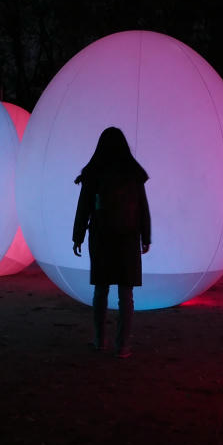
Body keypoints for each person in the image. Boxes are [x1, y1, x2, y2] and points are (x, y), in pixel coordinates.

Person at [71, 127, 150, 358]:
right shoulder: (133, 173)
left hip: (101, 237)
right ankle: (123, 346)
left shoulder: (94, 172)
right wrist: (145, 237)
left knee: (101, 289)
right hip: (128, 238)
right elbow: (143, 208)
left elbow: (83, 207)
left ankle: (99, 340)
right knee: (126, 293)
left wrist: (78, 236)